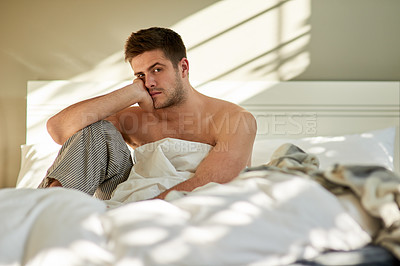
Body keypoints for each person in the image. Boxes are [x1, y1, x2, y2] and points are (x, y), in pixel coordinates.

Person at [39, 27, 257, 201]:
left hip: (174, 208)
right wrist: (131, 92)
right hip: (123, 198)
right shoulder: (135, 119)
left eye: (157, 69)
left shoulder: (234, 119)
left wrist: (134, 214)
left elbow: (212, 184)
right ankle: (48, 209)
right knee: (98, 130)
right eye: (140, 75)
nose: (149, 82)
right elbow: (58, 130)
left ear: (183, 68)